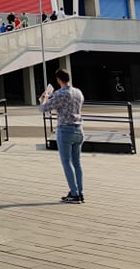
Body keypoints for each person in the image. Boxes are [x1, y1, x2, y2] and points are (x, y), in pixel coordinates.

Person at [38, 68, 85, 203]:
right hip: (79, 128)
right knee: (77, 162)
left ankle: (75, 194)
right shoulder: (78, 92)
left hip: (65, 130)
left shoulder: (60, 94)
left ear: (58, 80)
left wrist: (44, 98)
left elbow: (43, 109)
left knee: (66, 162)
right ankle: (79, 192)